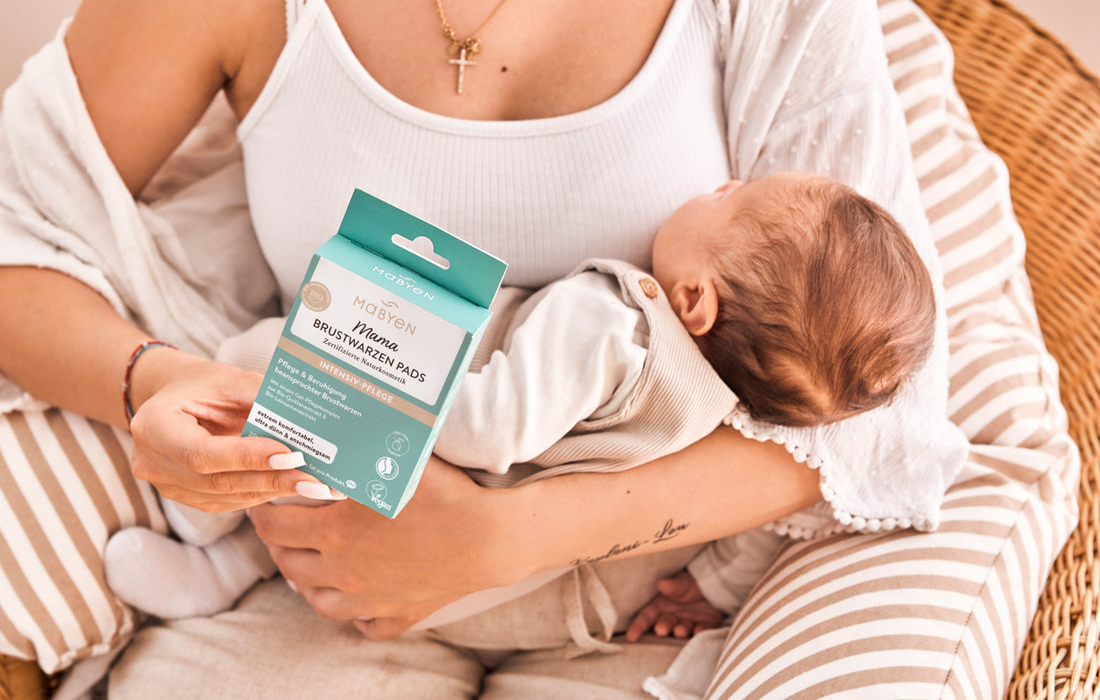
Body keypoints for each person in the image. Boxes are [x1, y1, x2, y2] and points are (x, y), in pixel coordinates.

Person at [0, 0, 972, 700]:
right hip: (317, 576)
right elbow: (15, 238)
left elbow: (871, 407)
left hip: (634, 599)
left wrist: (505, 536)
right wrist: (155, 382)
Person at [102, 171, 937, 629]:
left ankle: (204, 515)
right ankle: (226, 570)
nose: (717, 181)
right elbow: (758, 530)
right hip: (482, 582)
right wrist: (715, 587)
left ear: (692, 301)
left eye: (731, 195)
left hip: (440, 494)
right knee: (307, 495)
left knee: (258, 354)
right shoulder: (721, 414)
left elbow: (490, 427)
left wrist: (376, 372)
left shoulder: (614, 324)